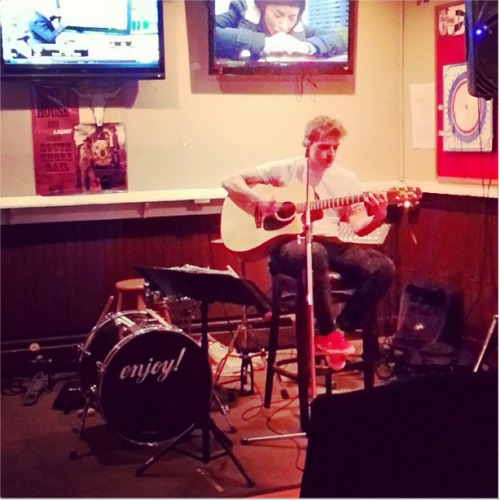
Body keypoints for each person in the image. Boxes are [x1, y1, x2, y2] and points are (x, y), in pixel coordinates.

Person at [221, 115, 395, 370]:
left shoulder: (346, 179)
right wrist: (257, 200)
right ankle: (327, 330)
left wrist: (378, 216)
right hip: (291, 244)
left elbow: (358, 225)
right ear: (307, 144)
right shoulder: (287, 169)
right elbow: (229, 180)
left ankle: (338, 332)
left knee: (383, 268)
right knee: (314, 252)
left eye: (335, 147)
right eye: (324, 147)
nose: (331, 154)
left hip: (331, 243)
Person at [215, 0, 347, 60]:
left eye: (292, 17)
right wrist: (265, 43)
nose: (284, 25)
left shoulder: (299, 26)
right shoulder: (240, 11)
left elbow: (339, 38)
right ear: (263, 7)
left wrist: (306, 47)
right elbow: (207, 34)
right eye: (278, 15)